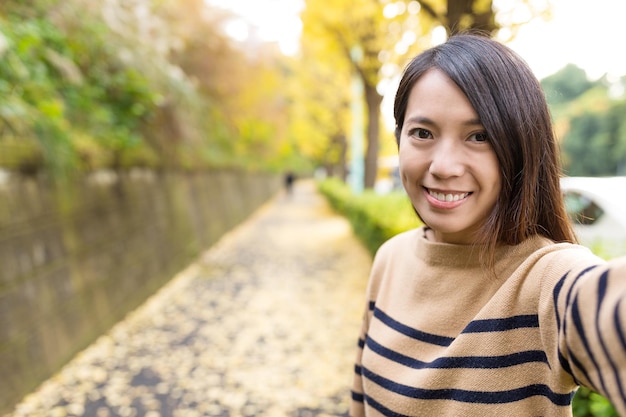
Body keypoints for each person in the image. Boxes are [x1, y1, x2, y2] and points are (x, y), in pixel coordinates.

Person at [350, 32, 626, 417]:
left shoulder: (545, 278)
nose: (443, 166)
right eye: (422, 133)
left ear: (520, 148)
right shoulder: (390, 260)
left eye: (479, 136)